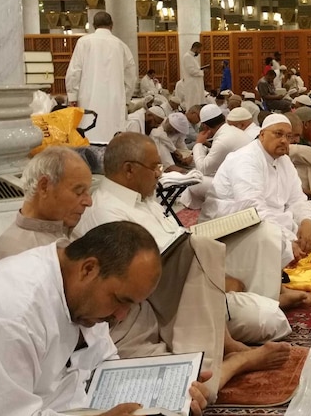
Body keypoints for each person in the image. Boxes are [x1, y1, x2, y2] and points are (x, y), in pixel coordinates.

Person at [0, 221, 210, 416]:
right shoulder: (9, 315)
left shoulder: (81, 295)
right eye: (121, 300)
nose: (121, 316)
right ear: (89, 269)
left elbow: (103, 365)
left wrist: (171, 393)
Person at [75, 134, 294, 356]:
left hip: (196, 277)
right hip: (173, 302)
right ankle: (229, 337)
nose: (159, 173)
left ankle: (268, 296)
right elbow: (156, 276)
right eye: (155, 167)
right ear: (129, 169)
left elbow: (177, 240)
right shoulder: (108, 210)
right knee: (269, 321)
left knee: (262, 232)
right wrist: (217, 280)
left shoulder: (144, 198)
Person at [203, 114, 311, 268]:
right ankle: (282, 251)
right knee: (270, 237)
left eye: (288, 136)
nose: (284, 140)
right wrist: (286, 239)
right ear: (262, 135)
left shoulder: (284, 160)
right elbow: (252, 209)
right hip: (234, 222)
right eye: (278, 134)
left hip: (272, 218)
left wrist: (306, 221)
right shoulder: (246, 159)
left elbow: (297, 199)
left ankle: (286, 249)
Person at [0, 147, 93, 269]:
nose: (89, 202)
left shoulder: (70, 233)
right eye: (79, 192)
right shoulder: (10, 254)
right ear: (44, 186)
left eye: (87, 192)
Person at [65, 11, 136, 143]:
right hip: (114, 101)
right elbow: (131, 75)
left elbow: (74, 71)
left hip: (88, 98)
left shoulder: (83, 42)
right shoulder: (120, 45)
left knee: (88, 135)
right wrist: (125, 98)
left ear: (93, 25)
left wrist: (72, 96)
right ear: (112, 25)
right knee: (113, 138)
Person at [181, 103, 252, 209]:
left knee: (195, 180)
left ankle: (195, 207)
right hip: (244, 179)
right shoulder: (231, 131)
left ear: (204, 126)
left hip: (239, 186)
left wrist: (198, 143)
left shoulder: (223, 139)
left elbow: (203, 169)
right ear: (223, 118)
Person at [180, 41, 206, 110]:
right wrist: (201, 72)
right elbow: (191, 71)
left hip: (196, 84)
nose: (200, 52)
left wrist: (201, 70)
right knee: (193, 102)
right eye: (200, 50)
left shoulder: (192, 57)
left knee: (197, 102)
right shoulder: (187, 57)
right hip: (192, 85)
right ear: (195, 48)